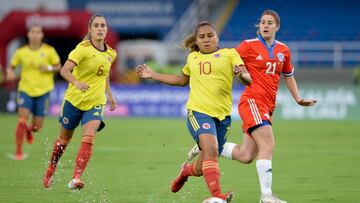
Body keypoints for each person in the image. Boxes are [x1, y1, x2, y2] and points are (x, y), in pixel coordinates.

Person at [188, 10, 317, 203]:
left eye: (269, 23)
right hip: (252, 101)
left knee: (246, 155)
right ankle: (267, 196)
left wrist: (298, 99)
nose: (265, 25)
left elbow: (288, 76)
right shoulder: (248, 46)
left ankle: (208, 146)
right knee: (268, 144)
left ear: (277, 27)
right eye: (262, 22)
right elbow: (224, 59)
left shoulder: (284, 50)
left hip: (267, 105)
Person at [136, 21, 251, 202]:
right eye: (202, 37)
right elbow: (181, 80)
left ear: (217, 37)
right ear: (196, 41)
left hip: (223, 117)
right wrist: (153, 75)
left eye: (210, 36)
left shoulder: (230, 54)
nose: (206, 40)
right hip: (198, 112)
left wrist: (241, 75)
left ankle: (186, 171)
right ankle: (217, 196)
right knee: (212, 149)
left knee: (207, 160)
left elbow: (248, 80)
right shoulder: (193, 58)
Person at [43, 14, 117, 190]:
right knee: (64, 139)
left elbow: (104, 74)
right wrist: (76, 82)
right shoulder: (81, 49)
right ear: (90, 30)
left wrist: (110, 96)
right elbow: (64, 70)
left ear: (106, 30)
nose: (100, 28)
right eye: (96, 26)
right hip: (74, 100)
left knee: (89, 136)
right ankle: (51, 169)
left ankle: (76, 177)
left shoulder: (111, 53)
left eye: (103, 25)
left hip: (96, 102)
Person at [6, 24, 61, 160]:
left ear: (42, 35)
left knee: (37, 127)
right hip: (25, 90)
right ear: (28, 34)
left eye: (38, 32)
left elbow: (58, 67)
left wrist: (48, 67)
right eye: (33, 32)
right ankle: (19, 152)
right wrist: (10, 72)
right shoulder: (21, 52)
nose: (35, 34)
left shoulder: (49, 50)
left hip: (43, 91)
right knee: (22, 120)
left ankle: (30, 131)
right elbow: (11, 67)